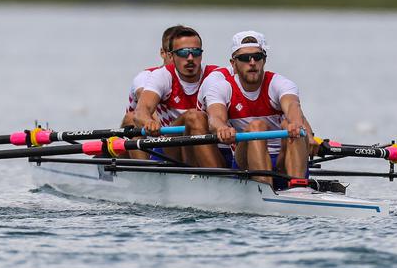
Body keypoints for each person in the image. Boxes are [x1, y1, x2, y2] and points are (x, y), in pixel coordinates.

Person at [200, 30, 313, 187]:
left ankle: (297, 187)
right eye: (245, 58)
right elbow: (215, 118)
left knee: (291, 125)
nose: (252, 62)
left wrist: (295, 123)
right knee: (257, 126)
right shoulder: (222, 88)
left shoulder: (280, 83)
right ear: (233, 64)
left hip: (283, 160)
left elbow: (292, 105)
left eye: (257, 57)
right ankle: (264, 189)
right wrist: (221, 128)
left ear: (264, 60)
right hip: (246, 162)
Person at [122, 26, 223, 165]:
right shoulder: (156, 76)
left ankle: (215, 179)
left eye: (195, 52)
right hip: (168, 144)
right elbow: (141, 111)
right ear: (170, 55)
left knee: (195, 118)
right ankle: (146, 175)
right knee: (132, 120)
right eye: (183, 53)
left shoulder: (215, 75)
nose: (190, 58)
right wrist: (148, 122)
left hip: (205, 141)